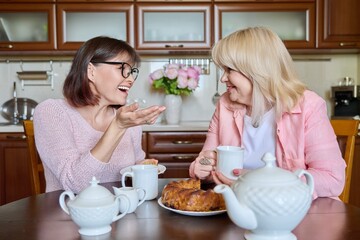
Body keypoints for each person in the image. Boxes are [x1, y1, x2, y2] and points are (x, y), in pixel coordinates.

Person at [189, 27, 345, 200]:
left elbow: (332, 179)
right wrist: (201, 168)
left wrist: (259, 182)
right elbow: (206, 161)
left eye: (229, 70)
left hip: (295, 212)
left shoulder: (309, 106)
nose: (223, 78)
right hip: (237, 208)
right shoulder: (225, 104)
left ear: (256, 70)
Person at [33, 36, 166, 193]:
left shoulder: (127, 120)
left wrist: (144, 166)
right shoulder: (52, 112)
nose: (130, 79)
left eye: (131, 72)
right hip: (68, 213)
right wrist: (117, 127)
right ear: (91, 71)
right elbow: (75, 184)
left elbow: (134, 167)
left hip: (122, 212)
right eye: (122, 68)